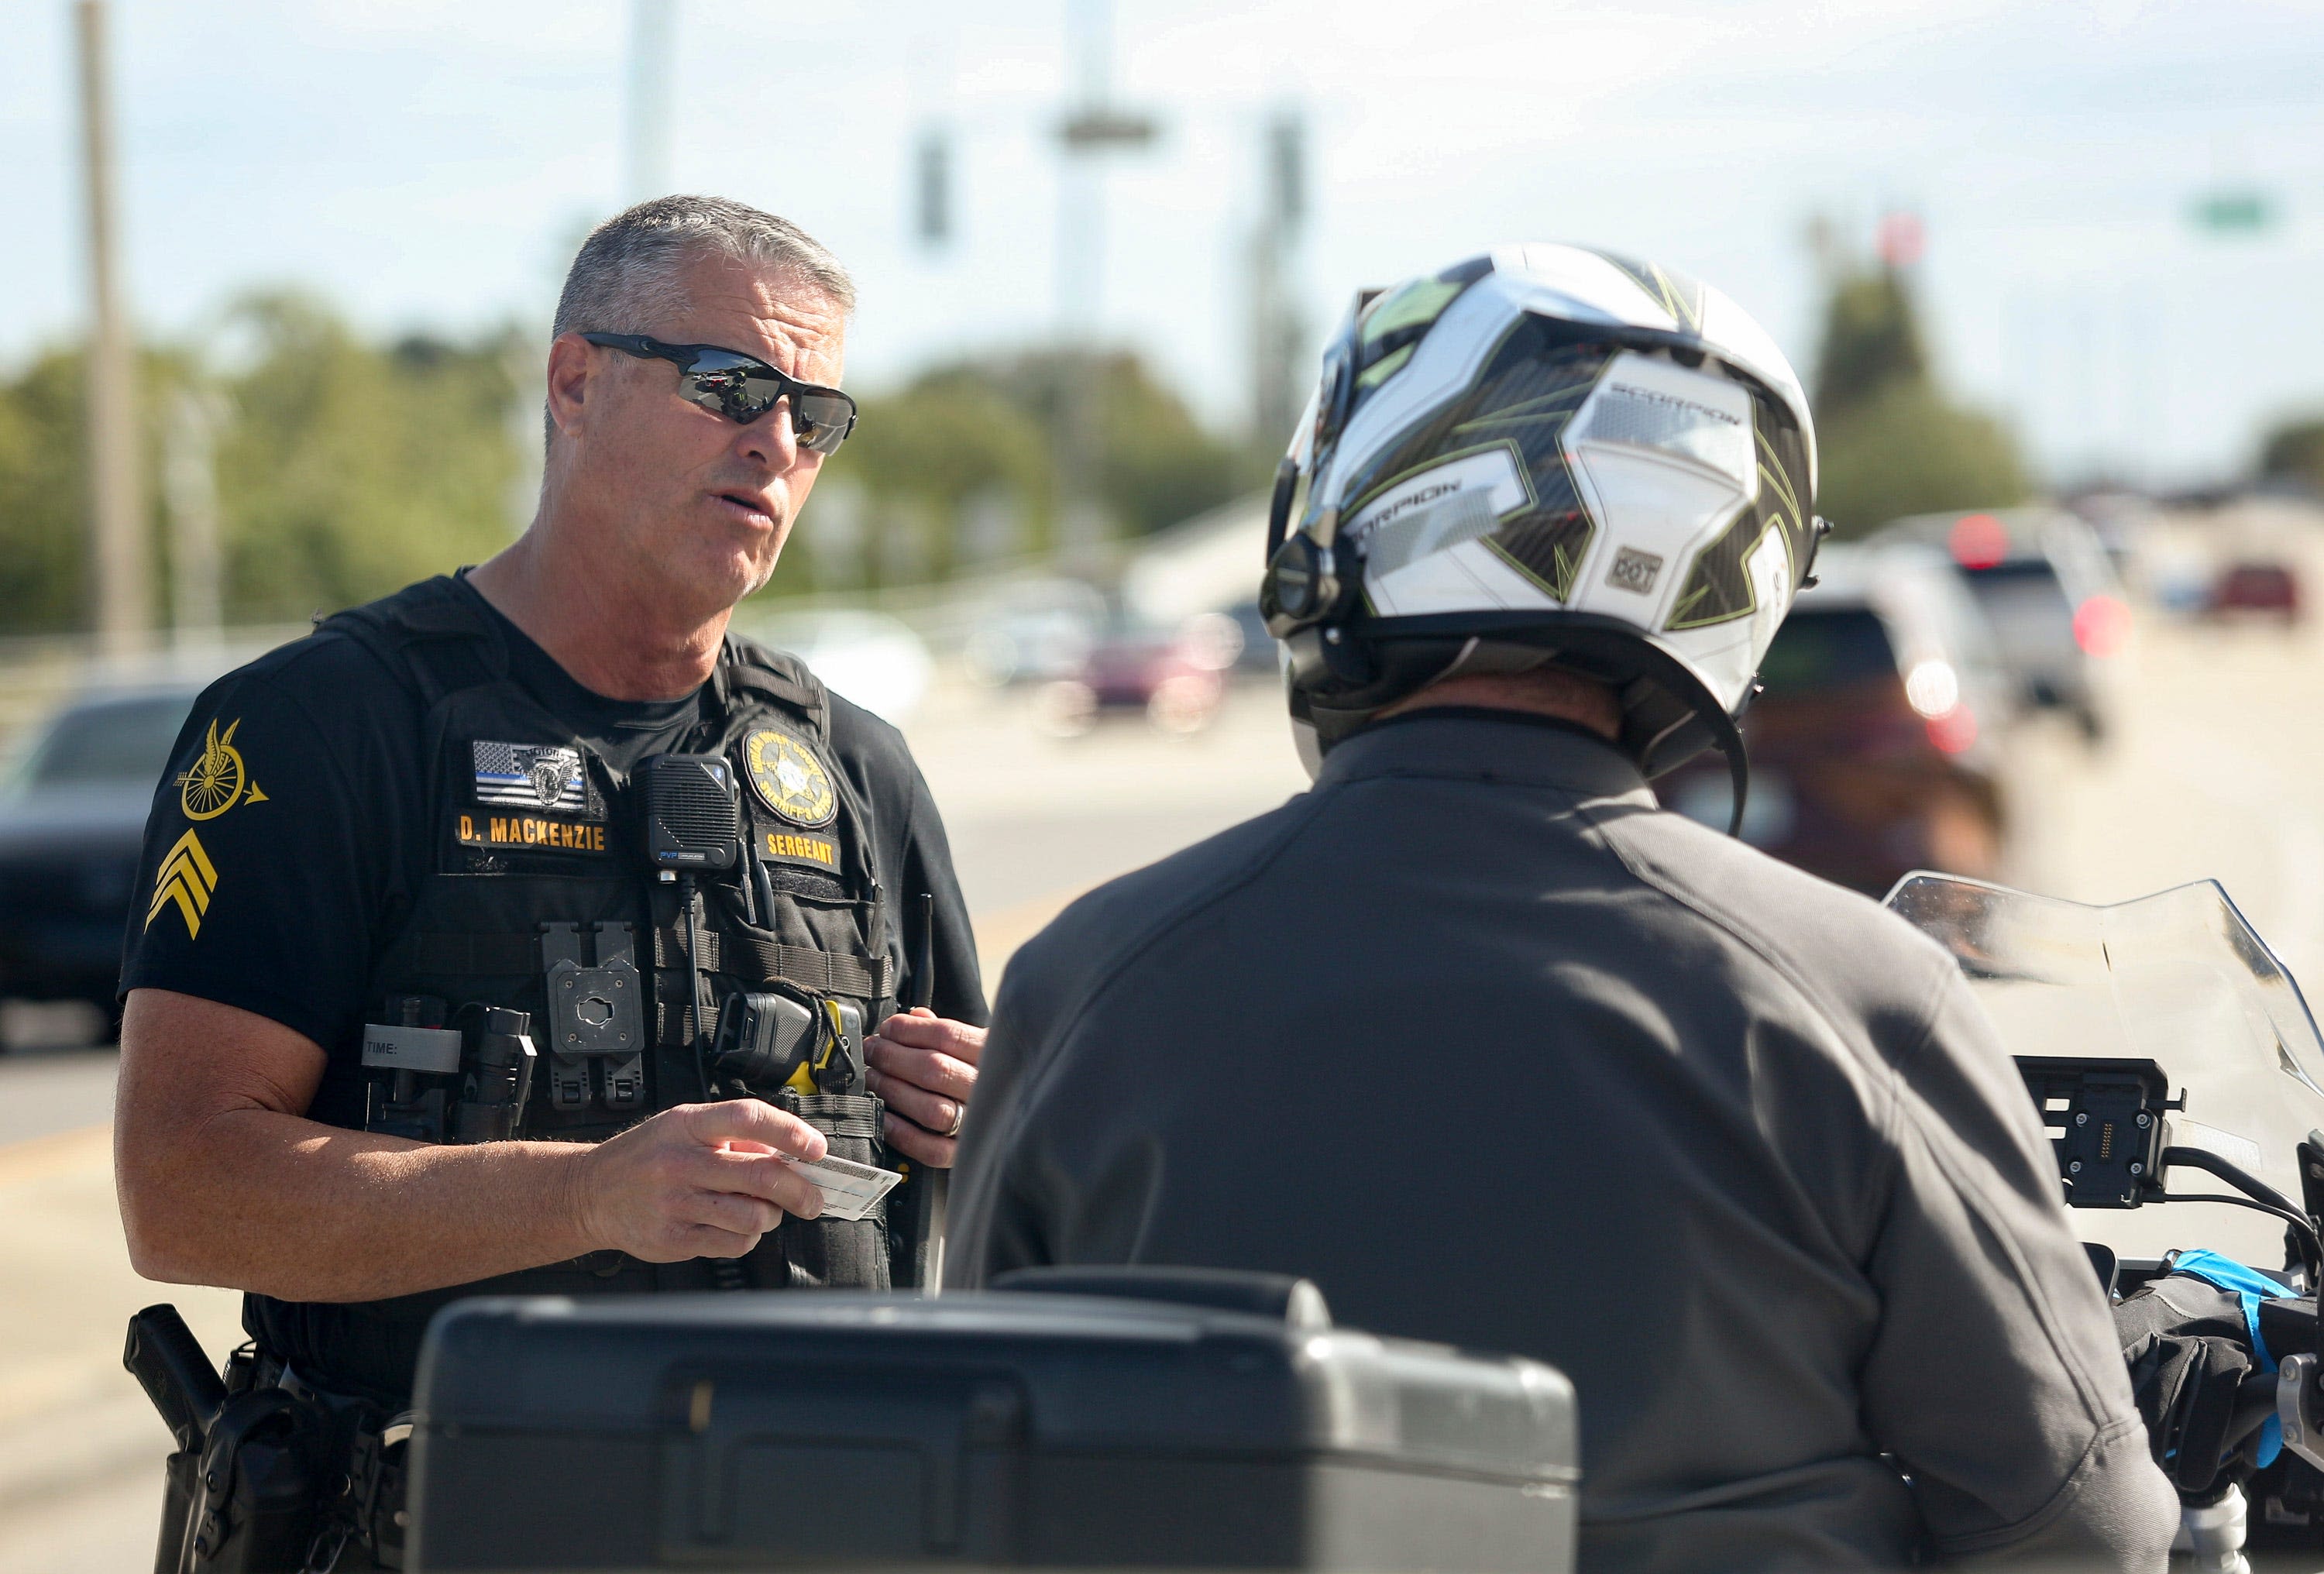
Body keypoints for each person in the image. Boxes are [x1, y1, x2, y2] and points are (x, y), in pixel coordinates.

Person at [945, 246, 2178, 1570]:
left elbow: (975, 1480)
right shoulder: (1864, 995)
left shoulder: (1092, 979)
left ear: (1360, 509)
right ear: (1735, 573)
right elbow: (2081, 1528)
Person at [115, 196, 987, 1567]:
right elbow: (180, 1188)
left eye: (815, 416)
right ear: (574, 383)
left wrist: (986, 1124)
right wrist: (584, 1195)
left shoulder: (855, 774)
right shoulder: (323, 727)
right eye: (730, 387)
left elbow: (971, 1227)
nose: (774, 441)